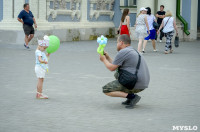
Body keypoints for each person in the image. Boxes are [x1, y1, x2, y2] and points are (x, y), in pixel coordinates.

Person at [99, 34, 150, 109]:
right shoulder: (132, 50)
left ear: (121, 42)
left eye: (117, 42)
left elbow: (111, 68)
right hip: (141, 82)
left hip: (136, 83)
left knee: (106, 89)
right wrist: (107, 57)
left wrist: (103, 60)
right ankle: (130, 96)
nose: (117, 44)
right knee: (117, 74)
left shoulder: (123, 52)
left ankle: (132, 97)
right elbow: (116, 66)